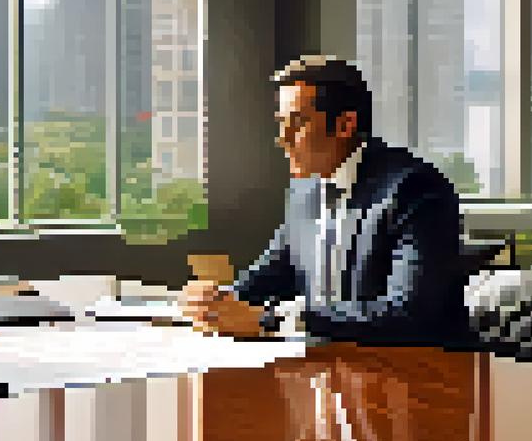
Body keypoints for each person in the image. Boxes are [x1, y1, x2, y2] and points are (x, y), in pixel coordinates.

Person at [179, 55, 468, 345]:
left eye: (297, 123)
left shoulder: (415, 189)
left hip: (417, 374)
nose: (283, 138)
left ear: (345, 125)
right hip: (330, 370)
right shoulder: (304, 189)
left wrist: (271, 321)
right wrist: (217, 302)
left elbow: (409, 313)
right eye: (281, 123)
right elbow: (272, 274)